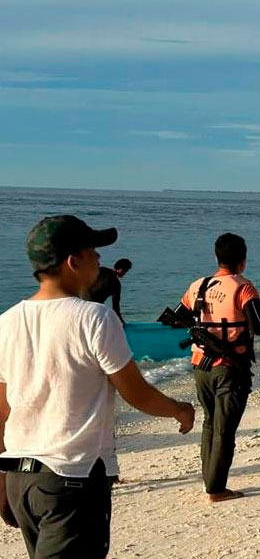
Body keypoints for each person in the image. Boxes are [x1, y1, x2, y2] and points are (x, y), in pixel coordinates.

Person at [0, 215, 195, 558]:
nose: (100, 259)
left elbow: (2, 410)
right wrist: (180, 409)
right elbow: (136, 392)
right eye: (93, 252)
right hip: (70, 477)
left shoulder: (7, 321)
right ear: (73, 262)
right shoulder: (94, 317)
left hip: (21, 478)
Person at [175, 233, 260, 503]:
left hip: (201, 366)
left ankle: (210, 480)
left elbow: (178, 318)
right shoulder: (244, 287)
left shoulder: (198, 286)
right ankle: (216, 489)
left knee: (209, 422)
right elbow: (259, 326)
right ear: (243, 261)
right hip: (230, 367)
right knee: (224, 430)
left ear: (216, 258)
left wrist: (204, 329)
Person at [84, 258, 132, 323]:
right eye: (125, 271)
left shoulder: (101, 269)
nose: (125, 274)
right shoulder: (116, 284)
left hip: (82, 302)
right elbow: (115, 307)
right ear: (121, 269)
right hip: (96, 308)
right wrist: (122, 322)